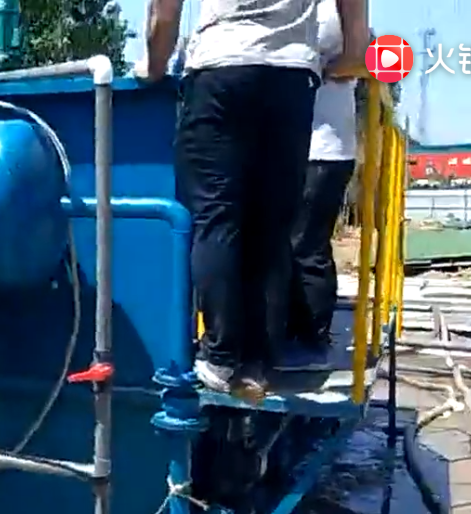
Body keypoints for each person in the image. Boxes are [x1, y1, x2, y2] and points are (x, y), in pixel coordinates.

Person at [138, 0, 368, 394]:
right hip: (292, 77)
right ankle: (258, 363)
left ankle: (220, 356)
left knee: (216, 217)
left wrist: (155, 64)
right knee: (273, 225)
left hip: (222, 67)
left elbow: (165, 8)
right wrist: (353, 52)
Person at [277, 0, 367, 372]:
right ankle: (286, 333)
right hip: (292, 144)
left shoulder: (332, 10)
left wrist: (309, 70)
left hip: (323, 147)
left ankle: (311, 341)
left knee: (305, 244)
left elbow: (358, 60)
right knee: (286, 244)